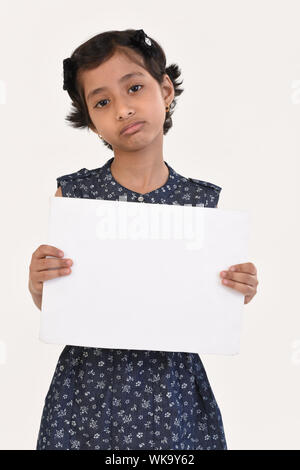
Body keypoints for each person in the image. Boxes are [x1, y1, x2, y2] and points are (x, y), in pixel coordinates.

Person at [29, 29, 259, 450]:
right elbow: (62, 301)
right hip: (89, 389)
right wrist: (39, 283)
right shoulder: (76, 197)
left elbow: (206, 302)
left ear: (165, 89)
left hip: (171, 390)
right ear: (90, 119)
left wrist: (235, 288)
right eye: (102, 102)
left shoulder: (199, 203)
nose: (123, 109)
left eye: (134, 87)